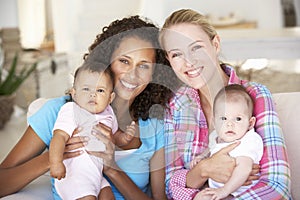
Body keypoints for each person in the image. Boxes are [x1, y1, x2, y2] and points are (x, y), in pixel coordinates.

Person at [0, 15, 178, 200]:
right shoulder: (60, 111)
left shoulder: (154, 126)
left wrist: (112, 169)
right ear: (107, 61)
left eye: (144, 66)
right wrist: (54, 157)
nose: (132, 74)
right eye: (124, 61)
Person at [159, 9, 291, 199]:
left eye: (196, 48)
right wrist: (204, 169)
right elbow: (171, 186)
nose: (189, 62)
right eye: (176, 54)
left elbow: (278, 185)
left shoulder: (256, 95)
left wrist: (207, 187)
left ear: (216, 44)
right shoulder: (176, 106)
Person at [50, 62, 136, 200]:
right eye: (86, 89)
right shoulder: (72, 110)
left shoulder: (108, 113)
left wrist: (125, 138)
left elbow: (115, 136)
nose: (92, 95)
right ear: (74, 93)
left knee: (108, 196)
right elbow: (59, 137)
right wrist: (56, 163)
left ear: (110, 98)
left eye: (100, 90)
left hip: (96, 175)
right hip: (75, 174)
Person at [190, 84, 263, 200]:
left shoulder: (248, 140)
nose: (230, 124)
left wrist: (224, 191)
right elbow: (212, 148)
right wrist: (202, 157)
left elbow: (244, 168)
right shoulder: (217, 136)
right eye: (224, 118)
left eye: (238, 119)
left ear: (250, 123)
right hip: (218, 189)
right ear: (215, 122)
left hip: (239, 192)